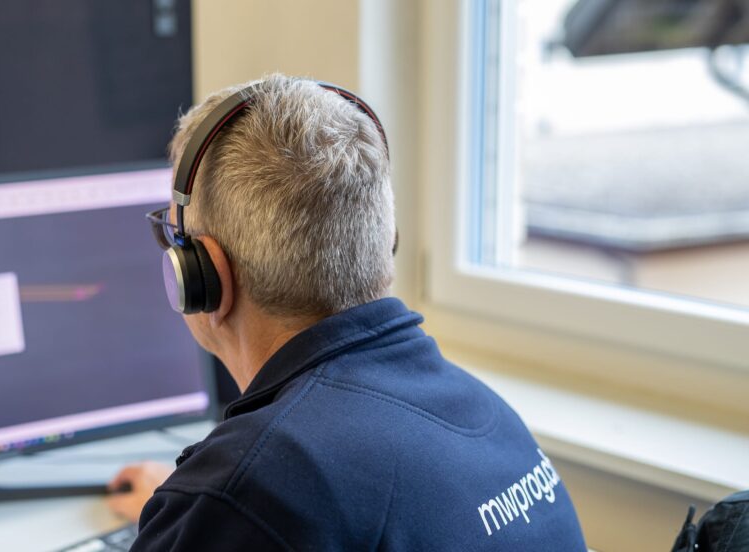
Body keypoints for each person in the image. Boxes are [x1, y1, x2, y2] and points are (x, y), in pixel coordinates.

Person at [108, 74, 587, 550]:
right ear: (384, 244)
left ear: (202, 276)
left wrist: (199, 511)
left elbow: (265, 505)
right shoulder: (485, 414)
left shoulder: (249, 491)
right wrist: (191, 515)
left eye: (170, 236)